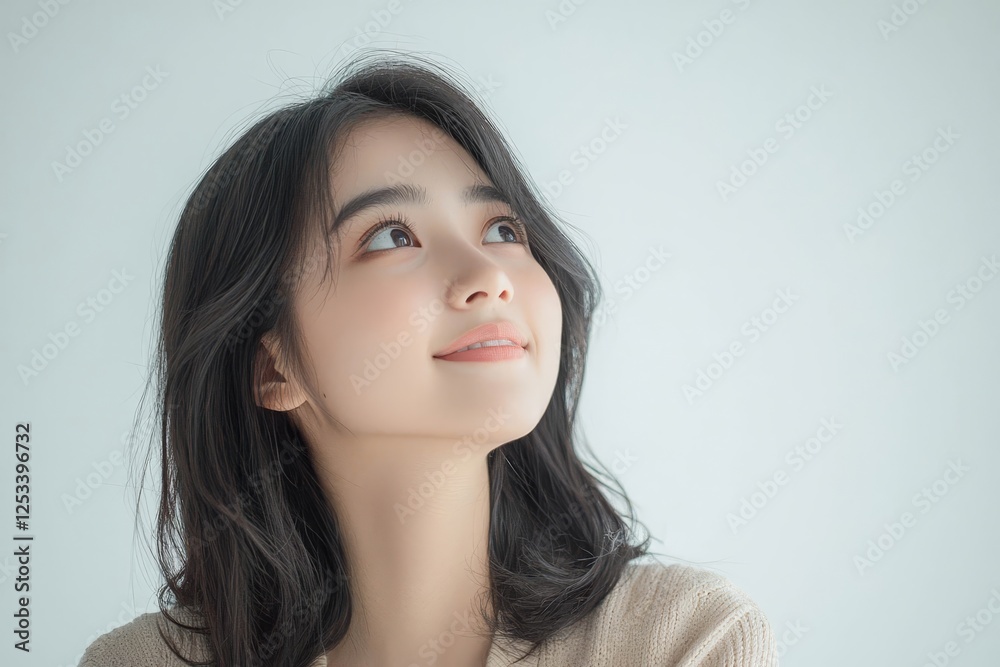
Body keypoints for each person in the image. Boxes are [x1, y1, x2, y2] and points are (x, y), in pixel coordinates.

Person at [80, 50, 778, 667]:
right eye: (390, 236)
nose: (488, 273)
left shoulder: (687, 641)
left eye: (502, 228)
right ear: (271, 368)